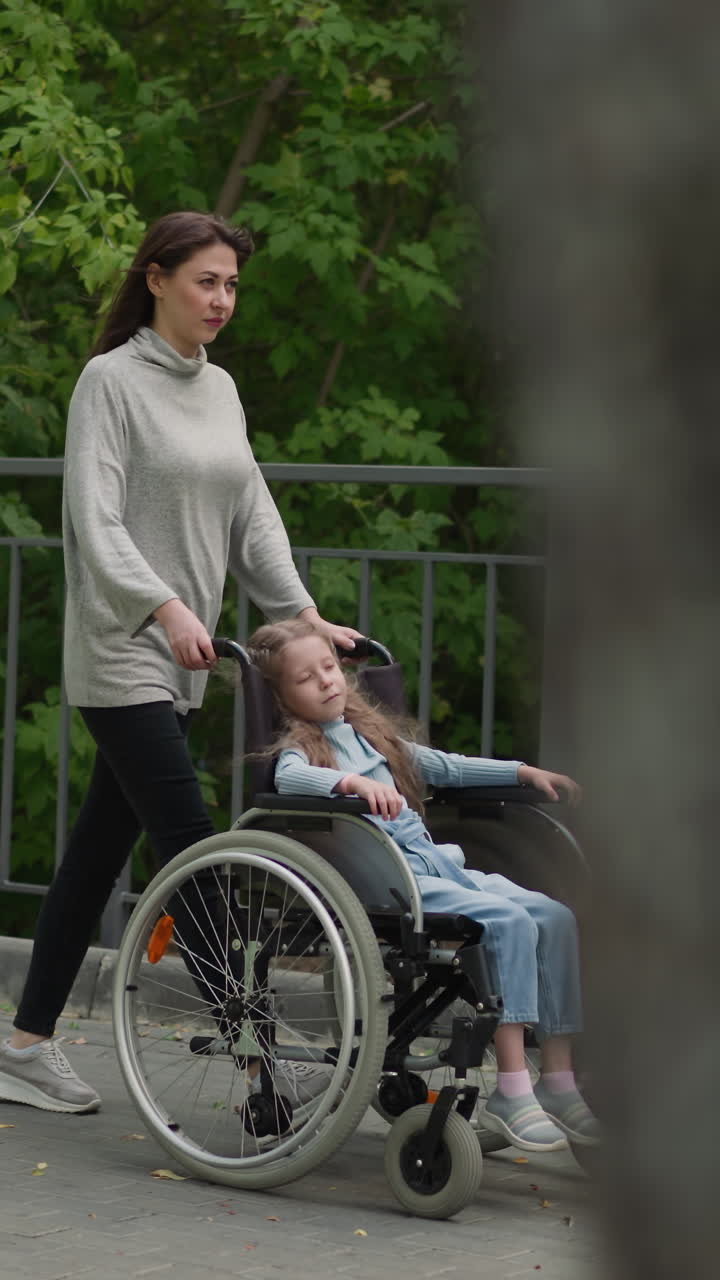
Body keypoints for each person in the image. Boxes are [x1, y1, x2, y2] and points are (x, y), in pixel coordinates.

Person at [0, 212, 360, 1116]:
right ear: (156, 279)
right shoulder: (109, 382)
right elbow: (96, 517)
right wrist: (162, 605)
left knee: (94, 855)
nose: (222, 299)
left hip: (184, 657)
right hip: (125, 648)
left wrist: (306, 618)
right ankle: (261, 1061)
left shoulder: (222, 391)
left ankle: (22, 1044)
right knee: (192, 845)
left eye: (232, 284)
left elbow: (255, 518)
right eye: (207, 280)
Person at [245, 617, 600, 1153]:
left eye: (329, 667)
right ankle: (511, 1088)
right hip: (388, 880)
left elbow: (446, 767)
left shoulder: (371, 736)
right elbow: (287, 779)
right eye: (306, 678)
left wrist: (523, 773)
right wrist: (350, 783)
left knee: (555, 916)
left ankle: (558, 1080)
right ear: (282, 697)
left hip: (437, 867)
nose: (326, 681)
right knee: (508, 920)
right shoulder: (303, 748)